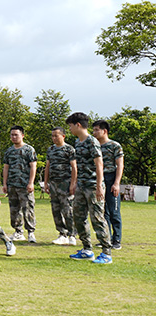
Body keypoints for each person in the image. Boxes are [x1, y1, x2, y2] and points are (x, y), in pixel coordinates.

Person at [67, 113, 112, 264]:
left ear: (78, 125)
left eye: (71, 126)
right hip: (81, 185)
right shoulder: (78, 143)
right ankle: (87, 249)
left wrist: (99, 186)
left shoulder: (92, 142)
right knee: (78, 217)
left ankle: (106, 253)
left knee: (97, 219)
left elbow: (99, 164)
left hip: (93, 186)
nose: (70, 129)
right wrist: (74, 183)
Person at [2, 126, 38, 243]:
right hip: (12, 184)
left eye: (16, 135)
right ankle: (18, 231)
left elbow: (33, 166)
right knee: (14, 209)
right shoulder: (9, 151)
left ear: (22, 135)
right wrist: (5, 183)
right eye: (12, 135)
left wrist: (31, 182)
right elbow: (6, 168)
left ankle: (31, 232)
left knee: (28, 208)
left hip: (25, 185)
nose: (13, 137)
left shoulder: (29, 150)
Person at [93, 120, 124, 250]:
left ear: (104, 131)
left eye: (96, 130)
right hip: (98, 179)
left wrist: (116, 183)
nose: (94, 133)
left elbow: (120, 165)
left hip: (111, 178)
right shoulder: (94, 146)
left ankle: (116, 240)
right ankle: (106, 238)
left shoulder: (114, 145)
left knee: (114, 211)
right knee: (102, 211)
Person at [45, 128, 76, 246]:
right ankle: (62, 233)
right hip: (53, 184)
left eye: (56, 136)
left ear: (63, 136)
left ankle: (72, 234)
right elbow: (48, 167)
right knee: (55, 209)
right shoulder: (51, 150)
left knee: (67, 209)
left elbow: (74, 167)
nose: (54, 138)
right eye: (52, 136)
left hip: (65, 183)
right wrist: (46, 183)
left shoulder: (69, 149)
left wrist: (73, 184)